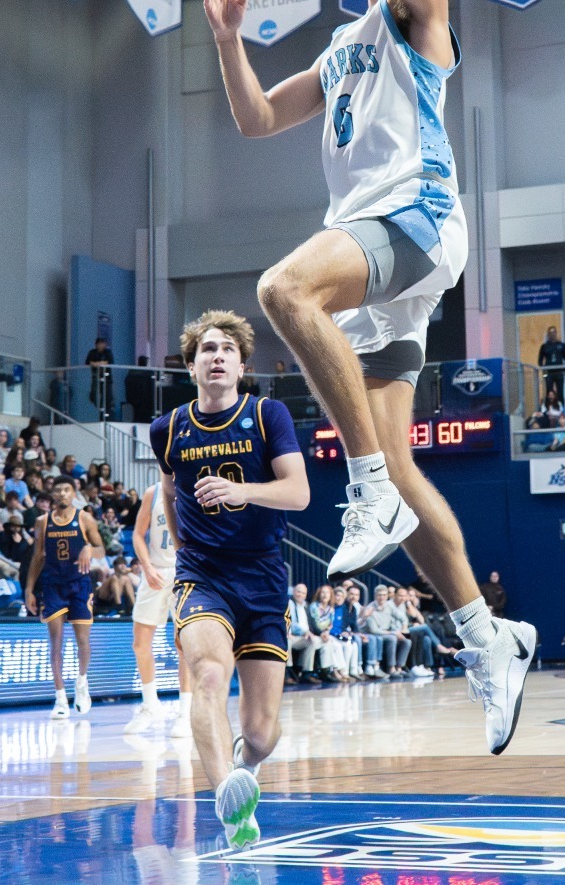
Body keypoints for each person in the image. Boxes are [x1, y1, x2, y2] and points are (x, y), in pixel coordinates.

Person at [206, 0, 536, 757]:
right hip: (384, 247)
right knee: (402, 467)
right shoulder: (348, 46)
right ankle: (488, 640)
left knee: (281, 292)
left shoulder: (422, 13)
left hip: (414, 219)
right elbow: (256, 118)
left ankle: (355, 485)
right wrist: (224, 42)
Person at [150, 310, 309, 845]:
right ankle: (227, 799)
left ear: (242, 364)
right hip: (203, 575)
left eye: (226, 350)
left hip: (262, 576)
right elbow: (170, 491)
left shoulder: (268, 415)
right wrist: (181, 546)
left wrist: (246, 492)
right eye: (206, 350)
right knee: (210, 676)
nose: (216, 356)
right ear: (191, 365)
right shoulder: (167, 428)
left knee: (262, 733)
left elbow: (299, 493)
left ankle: (245, 764)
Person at [25, 477, 104, 716]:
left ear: (74, 493)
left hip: (79, 584)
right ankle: (60, 699)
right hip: (53, 585)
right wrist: (29, 588)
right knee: (56, 642)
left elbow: (102, 549)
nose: (61, 494)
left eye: (66, 490)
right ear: (52, 494)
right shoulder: (42, 521)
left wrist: (90, 548)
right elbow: (38, 556)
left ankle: (81, 682)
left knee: (82, 640)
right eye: (57, 490)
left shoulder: (85, 518)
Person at [125, 475, 189, 731]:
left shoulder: (194, 490)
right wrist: (147, 567)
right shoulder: (152, 493)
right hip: (155, 571)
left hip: (184, 572)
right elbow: (138, 535)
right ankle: (150, 705)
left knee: (183, 645)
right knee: (140, 642)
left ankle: (185, 714)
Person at [537, 327, 565, 410]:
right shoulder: (544, 346)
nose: (552, 334)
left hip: (559, 372)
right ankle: (548, 409)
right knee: (549, 391)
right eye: (550, 333)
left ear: (556, 333)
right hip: (549, 373)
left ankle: (561, 409)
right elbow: (540, 360)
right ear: (548, 335)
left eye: (553, 332)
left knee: (560, 392)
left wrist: (564, 369)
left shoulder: (561, 345)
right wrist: (544, 368)